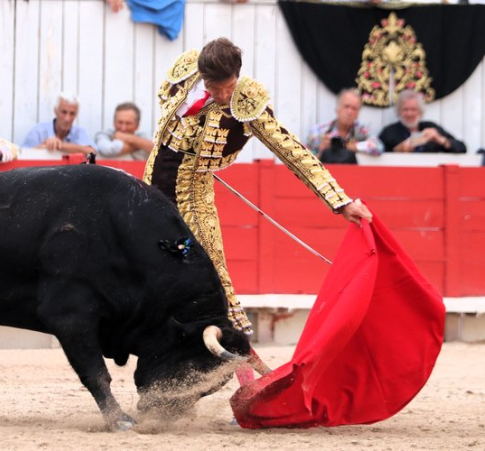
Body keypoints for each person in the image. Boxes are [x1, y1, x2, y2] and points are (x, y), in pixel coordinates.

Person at [143, 38, 372, 378]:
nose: (222, 95)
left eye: (228, 87)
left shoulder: (248, 103)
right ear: (201, 75)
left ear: (238, 75)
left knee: (218, 285)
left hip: (193, 200)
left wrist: (340, 201)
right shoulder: (185, 72)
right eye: (213, 87)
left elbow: (292, 151)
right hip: (148, 191)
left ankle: (252, 379)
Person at [305, 88, 383, 163]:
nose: (349, 112)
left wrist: (346, 146)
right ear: (337, 108)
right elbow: (303, 163)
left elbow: (379, 147)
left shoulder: (361, 131)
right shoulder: (318, 131)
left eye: (354, 108)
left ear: (358, 113)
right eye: (346, 106)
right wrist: (321, 152)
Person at [379, 90, 466, 154]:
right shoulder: (389, 132)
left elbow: (462, 149)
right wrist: (397, 151)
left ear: (420, 111)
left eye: (413, 109)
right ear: (398, 112)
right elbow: (377, 155)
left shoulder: (431, 127)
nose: (409, 114)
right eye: (405, 109)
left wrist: (441, 140)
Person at [22, 92, 96, 155]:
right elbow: (24, 154)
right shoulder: (38, 132)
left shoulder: (79, 132)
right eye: (64, 112)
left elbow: (92, 152)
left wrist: (60, 145)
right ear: (55, 111)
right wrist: (46, 146)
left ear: (76, 115)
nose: (67, 118)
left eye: (72, 113)